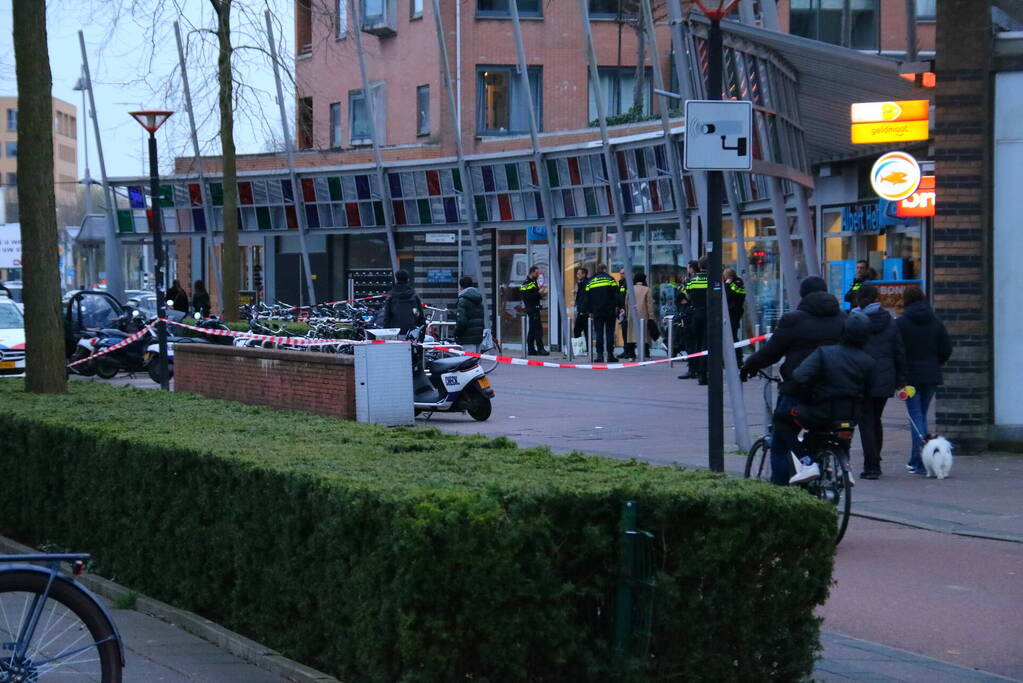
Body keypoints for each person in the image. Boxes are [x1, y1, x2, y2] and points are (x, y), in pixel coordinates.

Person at [740, 276, 846, 486]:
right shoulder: (843, 318)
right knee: (825, 433)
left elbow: (771, 353)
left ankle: (780, 491)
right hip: (837, 391)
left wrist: (749, 366)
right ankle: (830, 469)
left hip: (800, 390)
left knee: (780, 438)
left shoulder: (793, 320)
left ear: (803, 295)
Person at [787, 312, 876, 483]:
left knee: (783, 421)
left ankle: (808, 464)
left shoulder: (824, 353)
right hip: (850, 415)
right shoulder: (869, 362)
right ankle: (844, 466)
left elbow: (800, 376)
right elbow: (869, 390)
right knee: (842, 431)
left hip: (820, 413)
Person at [896, 287, 952, 474]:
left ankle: (919, 460)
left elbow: (897, 351)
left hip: (910, 377)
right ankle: (920, 459)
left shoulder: (901, 323)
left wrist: (899, 374)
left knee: (916, 417)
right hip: (931, 375)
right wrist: (936, 363)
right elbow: (946, 348)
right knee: (922, 414)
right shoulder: (935, 321)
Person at [855, 284, 907, 480]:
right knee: (876, 419)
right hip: (885, 378)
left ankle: (872, 465)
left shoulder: (855, 321)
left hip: (862, 377)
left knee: (866, 422)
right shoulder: (889, 321)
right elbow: (899, 352)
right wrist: (900, 380)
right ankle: (876, 457)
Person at [683, 257, 709, 384]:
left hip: (696, 314)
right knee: (707, 344)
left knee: (697, 343)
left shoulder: (692, 280)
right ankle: (704, 373)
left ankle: (698, 372)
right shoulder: (714, 279)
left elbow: (687, 296)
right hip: (710, 314)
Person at [585, 263, 619, 363]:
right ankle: (610, 355)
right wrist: (618, 307)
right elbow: (616, 294)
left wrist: (590, 311)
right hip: (609, 311)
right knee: (609, 333)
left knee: (599, 333)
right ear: (604, 269)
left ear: (597, 270)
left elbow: (587, 297)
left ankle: (599, 355)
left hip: (597, 312)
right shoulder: (610, 279)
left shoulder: (590, 281)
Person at [376, 269, 425, 335]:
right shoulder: (414, 295)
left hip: (394, 332)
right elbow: (418, 314)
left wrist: (387, 333)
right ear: (408, 279)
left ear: (396, 280)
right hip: (411, 332)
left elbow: (387, 317)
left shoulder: (390, 296)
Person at [622, 273, 654, 360]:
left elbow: (626, 302)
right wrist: (651, 316)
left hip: (632, 315)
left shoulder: (630, 289)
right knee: (644, 336)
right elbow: (649, 304)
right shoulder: (647, 289)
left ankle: (631, 355)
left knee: (631, 336)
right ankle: (646, 354)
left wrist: (627, 313)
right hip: (643, 316)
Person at [520, 266, 548, 355]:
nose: (537, 275)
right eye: (536, 273)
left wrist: (541, 294)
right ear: (531, 272)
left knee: (532, 330)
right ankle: (540, 349)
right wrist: (539, 293)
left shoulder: (533, 282)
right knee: (538, 330)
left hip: (534, 308)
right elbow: (527, 297)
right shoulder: (526, 283)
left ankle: (531, 349)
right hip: (532, 309)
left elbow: (534, 295)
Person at [453, 276, 485, 353]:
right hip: (478, 337)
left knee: (468, 362)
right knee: (475, 362)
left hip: (467, 338)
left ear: (461, 286)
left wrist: (456, 333)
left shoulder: (462, 300)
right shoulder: (478, 299)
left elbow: (462, 321)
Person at [724, 267, 746, 369]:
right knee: (730, 336)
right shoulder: (733, 283)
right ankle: (730, 359)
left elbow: (729, 296)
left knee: (733, 336)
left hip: (733, 313)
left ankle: (738, 359)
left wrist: (727, 285)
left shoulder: (737, 284)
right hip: (729, 313)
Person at [572, 267, 590, 345]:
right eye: (577, 274)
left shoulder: (586, 284)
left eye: (579, 274)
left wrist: (582, 310)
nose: (577, 275)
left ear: (584, 274)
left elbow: (585, 298)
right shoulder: (580, 284)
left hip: (584, 311)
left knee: (578, 330)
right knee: (581, 330)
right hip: (581, 310)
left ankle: (582, 349)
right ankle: (582, 348)